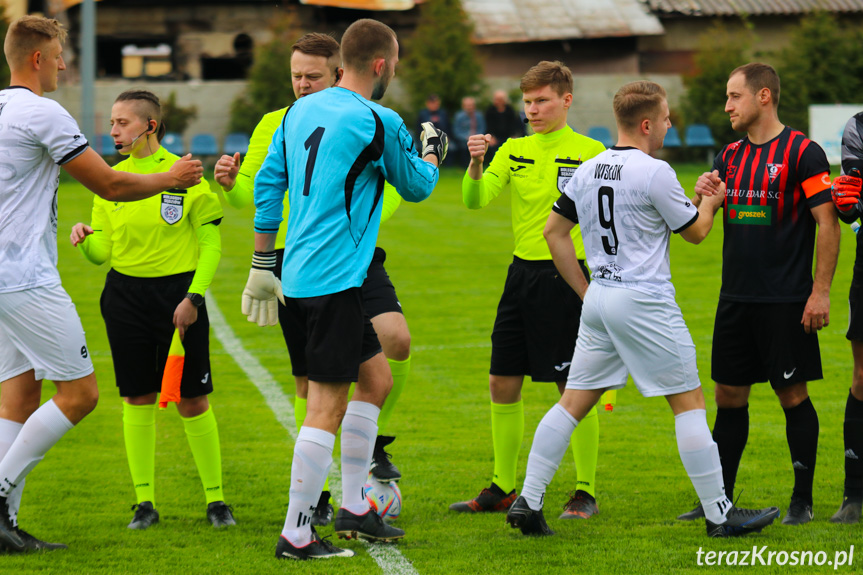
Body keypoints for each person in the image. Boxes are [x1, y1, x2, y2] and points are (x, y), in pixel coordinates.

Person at [506, 80, 780, 538]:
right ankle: (719, 514)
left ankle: (529, 501)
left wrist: (585, 290)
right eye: (667, 118)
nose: (670, 125)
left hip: (601, 298)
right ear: (648, 123)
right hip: (645, 300)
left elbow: (554, 233)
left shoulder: (588, 168)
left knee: (572, 403)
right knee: (689, 404)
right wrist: (711, 201)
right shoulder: (655, 171)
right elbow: (694, 233)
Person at [243, 18, 444, 561]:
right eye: (395, 62)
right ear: (380, 65)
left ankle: (356, 505)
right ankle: (297, 534)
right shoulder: (379, 119)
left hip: (300, 272)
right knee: (325, 409)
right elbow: (419, 187)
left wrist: (262, 262)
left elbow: (267, 183)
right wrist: (432, 150)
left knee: (374, 380)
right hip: (335, 280)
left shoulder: (297, 111)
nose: (395, 70)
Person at [0, 15, 202, 552]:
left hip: (2, 278)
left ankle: (4, 525)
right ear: (38, 58)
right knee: (81, 393)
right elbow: (110, 184)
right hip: (24, 277)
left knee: (18, 395)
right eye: (60, 55)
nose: (65, 65)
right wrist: (171, 178)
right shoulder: (43, 112)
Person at [214, 33, 411, 528]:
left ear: (339, 71)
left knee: (380, 370)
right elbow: (262, 189)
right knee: (319, 394)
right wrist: (236, 197)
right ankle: (303, 522)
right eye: (296, 76)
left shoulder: (336, 117)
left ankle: (354, 501)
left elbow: (383, 193)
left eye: (312, 76)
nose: (302, 85)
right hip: (316, 268)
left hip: (342, 262)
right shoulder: (282, 121)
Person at [677, 62, 839, 526]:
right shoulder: (727, 157)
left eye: (734, 96)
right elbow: (700, 223)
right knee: (728, 396)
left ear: (763, 96)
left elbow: (827, 223)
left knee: (792, 395)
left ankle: (802, 503)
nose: (727, 106)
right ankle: (718, 502)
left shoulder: (803, 153)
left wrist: (820, 292)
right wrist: (699, 194)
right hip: (736, 299)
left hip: (786, 300)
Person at [69, 90, 234, 531]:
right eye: (112, 122)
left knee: (193, 400)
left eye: (122, 122)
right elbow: (103, 253)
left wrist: (193, 298)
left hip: (178, 295)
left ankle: (216, 502)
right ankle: (144, 503)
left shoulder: (185, 174)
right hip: (123, 297)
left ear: (150, 126)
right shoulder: (111, 181)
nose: (113, 131)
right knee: (136, 397)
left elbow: (212, 244)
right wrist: (86, 239)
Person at [449, 61, 608, 520]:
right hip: (520, 276)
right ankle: (501, 485)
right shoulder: (512, 149)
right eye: (527, 102)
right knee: (502, 381)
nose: (532, 110)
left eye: (541, 101)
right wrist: (477, 163)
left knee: (572, 385)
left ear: (566, 100)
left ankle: (584, 491)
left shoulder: (591, 151)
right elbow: (475, 200)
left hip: (568, 277)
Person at [828, 112, 863, 523]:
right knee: (861, 376)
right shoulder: (858, 127)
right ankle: (854, 493)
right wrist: (848, 204)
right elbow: (851, 205)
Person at [485, 89, 525, 159]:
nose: (499, 101)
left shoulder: (510, 110)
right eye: (497, 99)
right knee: (492, 146)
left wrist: (513, 135)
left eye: (501, 99)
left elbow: (514, 124)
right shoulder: (490, 111)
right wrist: (491, 137)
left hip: (508, 136)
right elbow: (488, 126)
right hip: (495, 136)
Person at [454, 96, 486, 167]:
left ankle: (478, 165)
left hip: (477, 138)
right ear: (463, 106)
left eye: (471, 105)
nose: (470, 107)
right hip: (463, 139)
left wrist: (476, 137)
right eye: (468, 105)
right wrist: (465, 137)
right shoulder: (459, 117)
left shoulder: (479, 116)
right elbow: (456, 131)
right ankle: (465, 166)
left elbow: (482, 128)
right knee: (464, 147)